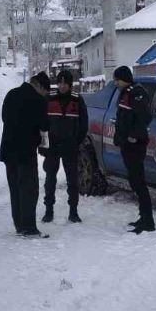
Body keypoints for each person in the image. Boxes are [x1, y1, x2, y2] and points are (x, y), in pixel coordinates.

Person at [0, 72, 51, 237]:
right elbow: (44, 124)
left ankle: (20, 225)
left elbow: (4, 117)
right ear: (40, 86)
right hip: (26, 152)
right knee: (29, 189)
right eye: (45, 92)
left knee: (15, 189)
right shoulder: (37, 100)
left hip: (8, 150)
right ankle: (29, 228)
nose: (45, 95)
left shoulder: (11, 94)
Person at [41, 69, 89, 224]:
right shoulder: (49, 99)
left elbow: (84, 124)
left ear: (70, 84)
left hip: (70, 147)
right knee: (50, 180)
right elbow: (41, 123)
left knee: (72, 181)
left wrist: (77, 142)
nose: (62, 86)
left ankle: (73, 212)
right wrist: (43, 145)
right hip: (52, 147)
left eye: (65, 83)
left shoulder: (77, 100)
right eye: (59, 82)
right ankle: (49, 211)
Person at [112, 66, 155, 234]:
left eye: (117, 80)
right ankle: (143, 217)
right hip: (127, 144)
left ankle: (148, 221)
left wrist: (133, 136)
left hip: (135, 144)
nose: (115, 83)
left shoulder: (137, 93)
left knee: (138, 182)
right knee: (134, 181)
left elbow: (144, 117)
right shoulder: (125, 92)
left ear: (125, 79)